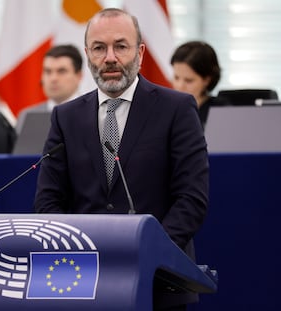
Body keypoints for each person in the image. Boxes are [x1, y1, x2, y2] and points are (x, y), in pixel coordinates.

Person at [34, 8, 209, 311]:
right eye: (99, 48)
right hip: (83, 281)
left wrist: (148, 252)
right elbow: (48, 201)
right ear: (88, 54)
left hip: (160, 282)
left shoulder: (176, 109)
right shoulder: (65, 117)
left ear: (140, 53)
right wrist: (80, 254)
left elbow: (191, 197)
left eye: (121, 46)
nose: (110, 57)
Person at [15, 44, 83, 135]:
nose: (53, 78)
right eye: (48, 71)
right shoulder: (26, 116)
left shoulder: (95, 114)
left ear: (79, 76)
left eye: (61, 71)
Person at [170, 40, 229, 127]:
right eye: (176, 77)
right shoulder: (165, 108)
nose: (180, 86)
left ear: (207, 80)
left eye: (189, 80)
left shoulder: (222, 111)